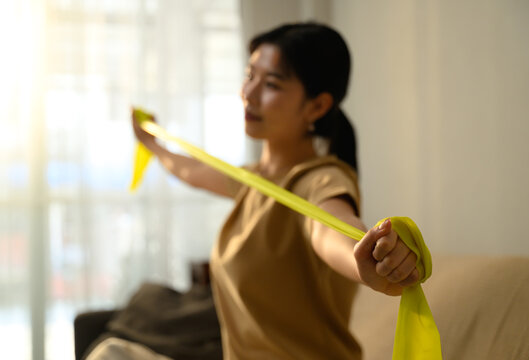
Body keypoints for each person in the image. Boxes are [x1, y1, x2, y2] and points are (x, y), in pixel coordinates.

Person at [129, 22, 420, 359]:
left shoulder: (320, 180)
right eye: (249, 75)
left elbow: (331, 228)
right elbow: (190, 170)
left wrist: (366, 258)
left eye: (271, 84)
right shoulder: (255, 181)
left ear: (317, 106)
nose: (249, 94)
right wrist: (150, 143)